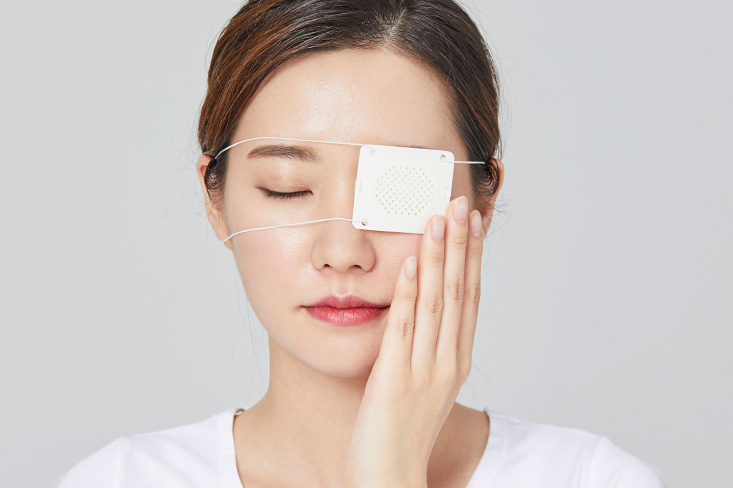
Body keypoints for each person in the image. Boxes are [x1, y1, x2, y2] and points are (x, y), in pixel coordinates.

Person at [58, 1, 666, 487]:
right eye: (287, 188)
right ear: (216, 203)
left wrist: (391, 473)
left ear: (482, 201)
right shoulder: (118, 480)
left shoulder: (592, 479)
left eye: (402, 189)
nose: (344, 249)